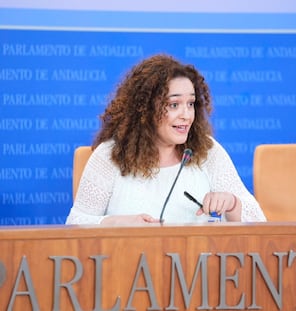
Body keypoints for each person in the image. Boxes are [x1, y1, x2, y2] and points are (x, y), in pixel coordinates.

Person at [66, 54, 266, 225]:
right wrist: (115, 223)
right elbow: (74, 224)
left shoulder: (207, 151)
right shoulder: (110, 156)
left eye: (190, 104)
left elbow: (259, 222)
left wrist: (232, 203)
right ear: (144, 108)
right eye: (173, 105)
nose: (186, 115)